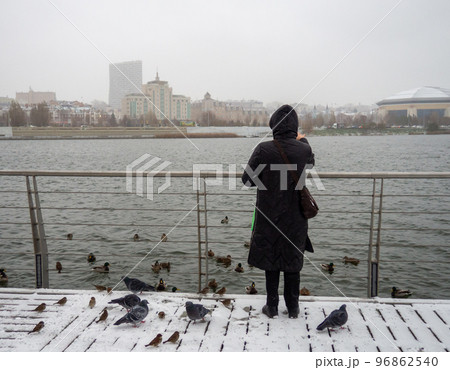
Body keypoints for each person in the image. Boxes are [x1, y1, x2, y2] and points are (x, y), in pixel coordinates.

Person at [242, 104, 315, 319]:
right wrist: (303, 140)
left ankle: (271, 307)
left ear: (273, 126)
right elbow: (310, 164)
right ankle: (293, 308)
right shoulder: (303, 149)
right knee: (292, 261)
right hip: (296, 217)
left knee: (271, 259)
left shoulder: (263, 149)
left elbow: (247, 181)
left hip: (268, 215)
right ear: (295, 127)